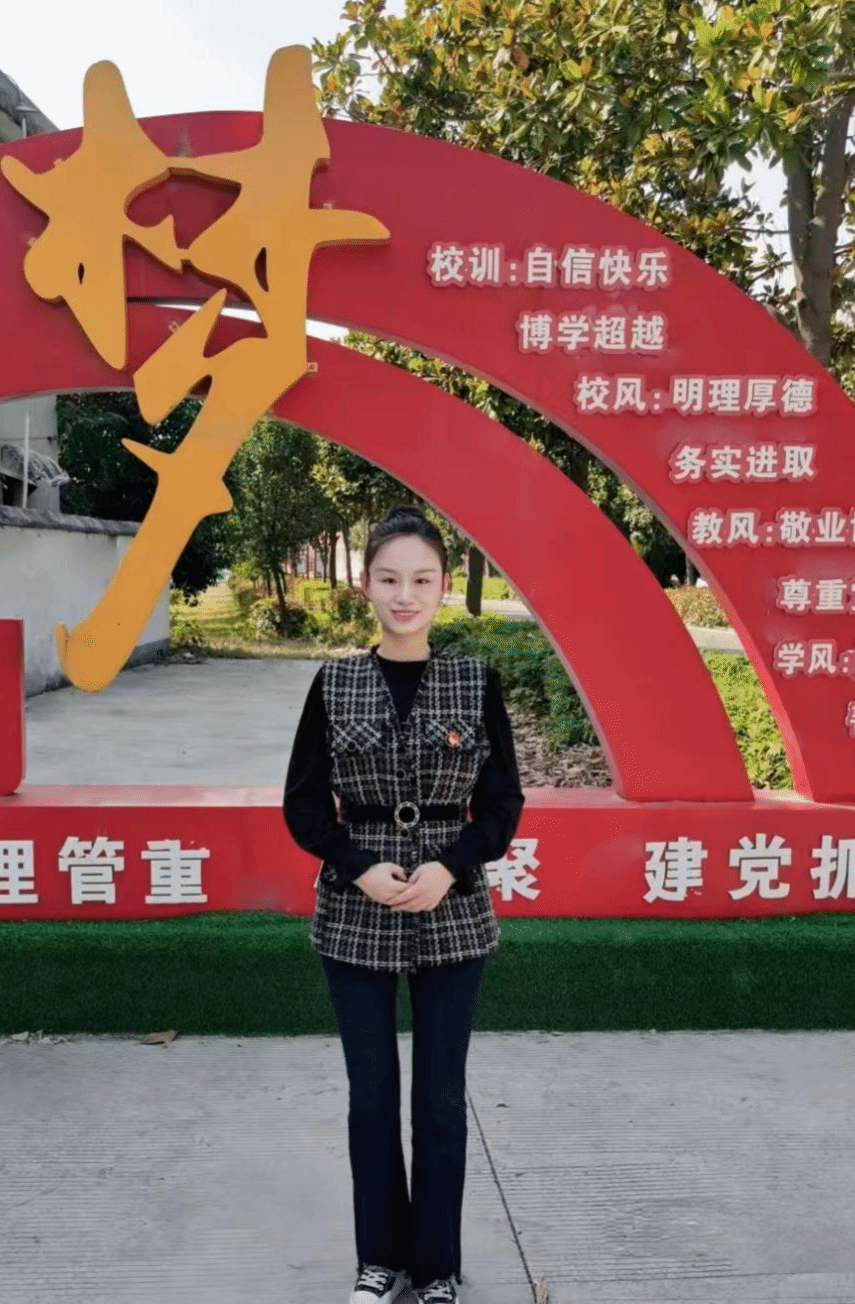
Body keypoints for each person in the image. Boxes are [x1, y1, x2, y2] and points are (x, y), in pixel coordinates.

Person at [283, 504, 525, 1304]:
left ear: (444, 586)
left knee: (441, 1100)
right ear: (366, 584)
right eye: (389, 579)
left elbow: (502, 805)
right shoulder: (335, 683)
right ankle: (380, 1260)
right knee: (373, 1096)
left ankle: (438, 1269)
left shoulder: (474, 682)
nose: (405, 595)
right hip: (356, 911)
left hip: (452, 909)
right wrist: (358, 867)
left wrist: (451, 866)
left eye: (421, 580)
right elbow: (303, 804)